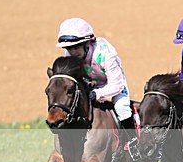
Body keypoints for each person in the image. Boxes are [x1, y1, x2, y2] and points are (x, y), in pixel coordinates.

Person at [55, 18, 137, 151]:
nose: (73, 52)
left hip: (113, 83)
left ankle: (133, 142)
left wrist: (97, 93)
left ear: (87, 43)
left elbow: (117, 84)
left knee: (121, 106)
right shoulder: (69, 55)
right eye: (69, 48)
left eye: (76, 47)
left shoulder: (105, 53)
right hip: (89, 85)